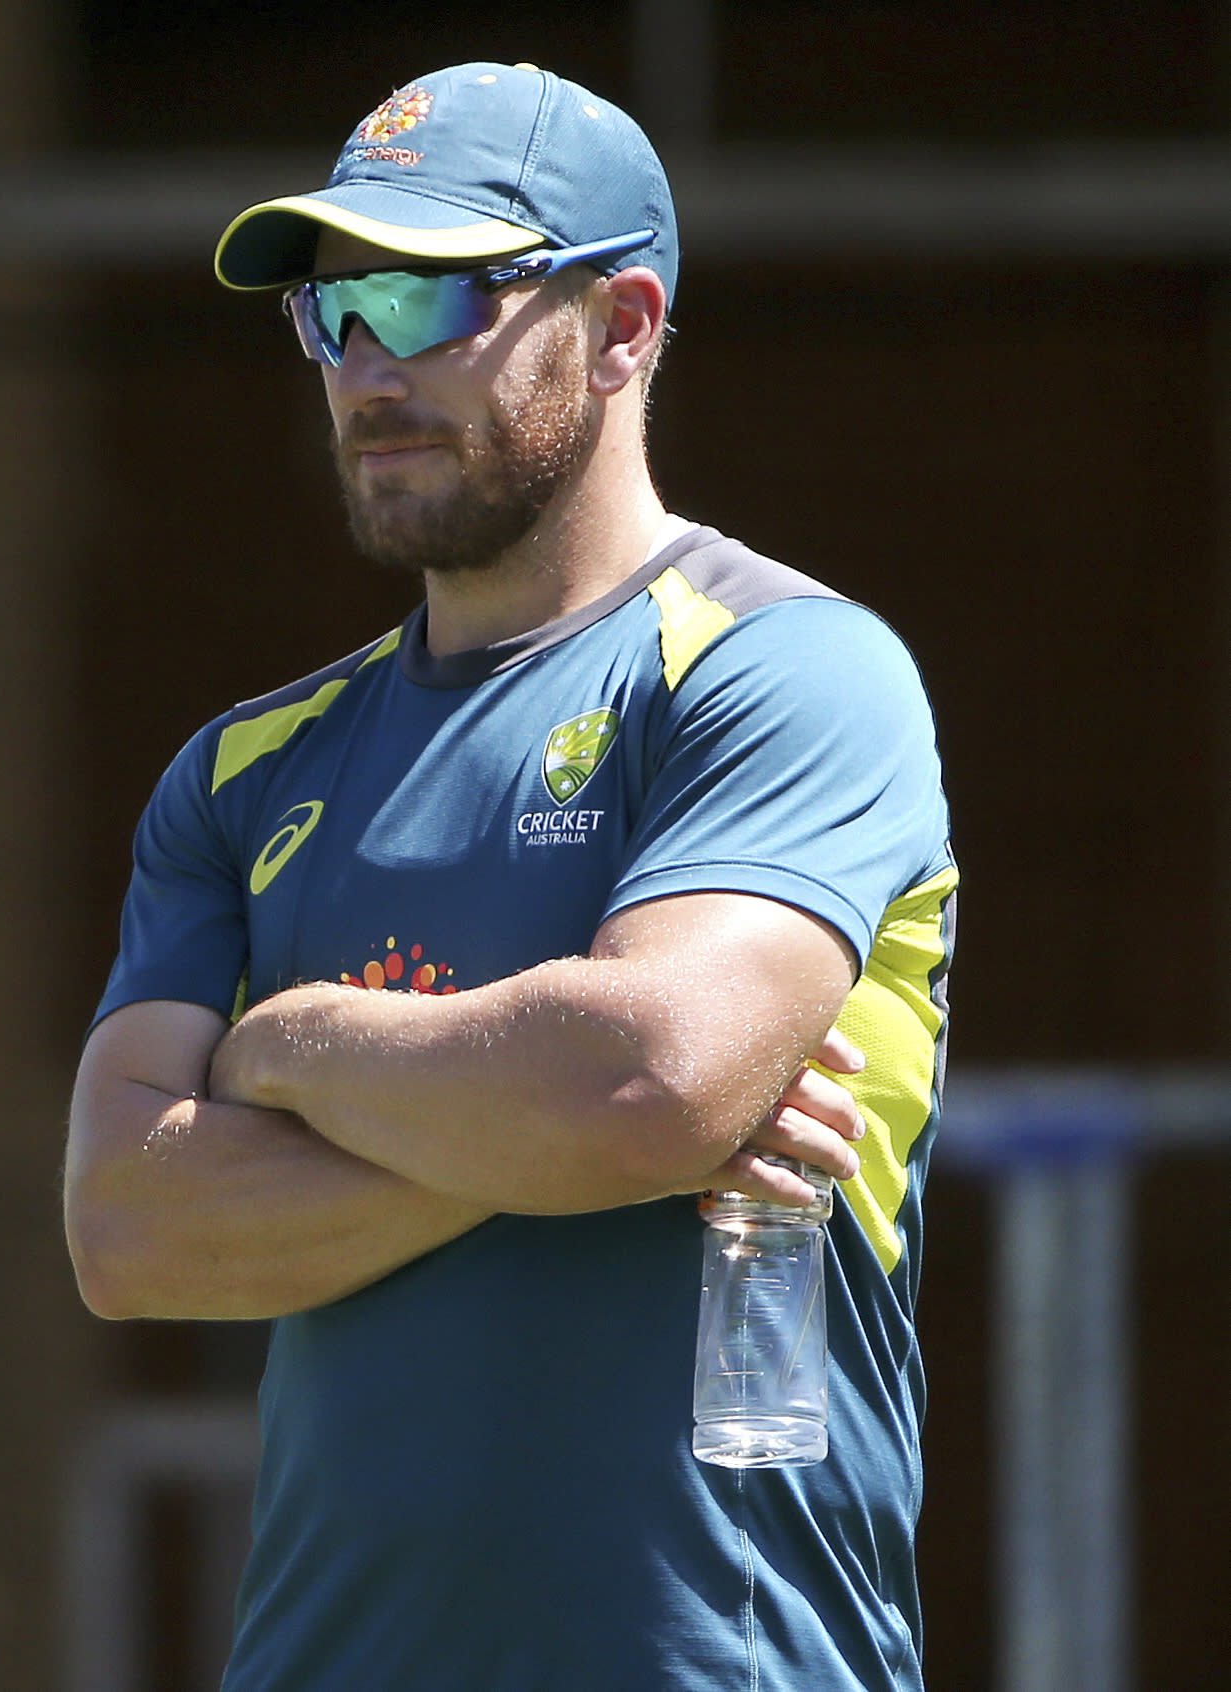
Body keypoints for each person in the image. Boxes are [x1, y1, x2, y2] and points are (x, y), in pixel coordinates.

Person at [64, 63, 953, 1690]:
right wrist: (559, 1114)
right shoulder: (242, 770)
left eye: (427, 303)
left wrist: (291, 1051)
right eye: (331, 314)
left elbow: (638, 1086)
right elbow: (130, 1235)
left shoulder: (786, 672)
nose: (362, 367)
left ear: (620, 327)